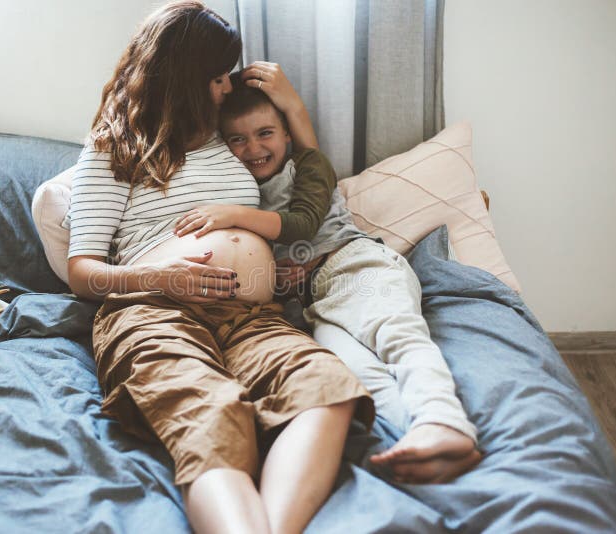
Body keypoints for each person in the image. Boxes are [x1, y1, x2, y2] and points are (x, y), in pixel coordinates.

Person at [65, 2, 374, 533]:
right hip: (153, 312)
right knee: (211, 414)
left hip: (252, 317)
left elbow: (305, 185)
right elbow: (81, 270)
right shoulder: (113, 150)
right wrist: (160, 277)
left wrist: (291, 105)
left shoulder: (230, 140)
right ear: (184, 80)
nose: (226, 88)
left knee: (326, 386)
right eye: (214, 78)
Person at [174, 69, 482, 484]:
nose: (253, 148)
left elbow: (301, 224)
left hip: (356, 267)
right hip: (315, 302)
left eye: (265, 133)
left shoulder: (308, 165)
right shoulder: (238, 188)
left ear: (287, 134)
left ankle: (445, 421)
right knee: (351, 369)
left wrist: (229, 215)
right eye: (238, 140)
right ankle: (410, 440)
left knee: (397, 335)